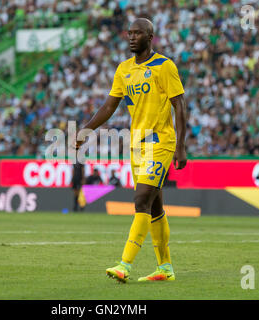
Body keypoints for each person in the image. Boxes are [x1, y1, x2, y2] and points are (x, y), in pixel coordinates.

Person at [75, 18, 187, 283]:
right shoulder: (124, 69)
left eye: (138, 33)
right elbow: (108, 106)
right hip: (136, 146)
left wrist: (180, 147)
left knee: (141, 200)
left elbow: (179, 105)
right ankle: (166, 268)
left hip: (160, 142)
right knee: (155, 207)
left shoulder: (164, 66)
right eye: (130, 33)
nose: (132, 37)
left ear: (150, 37)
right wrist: (86, 130)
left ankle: (124, 264)